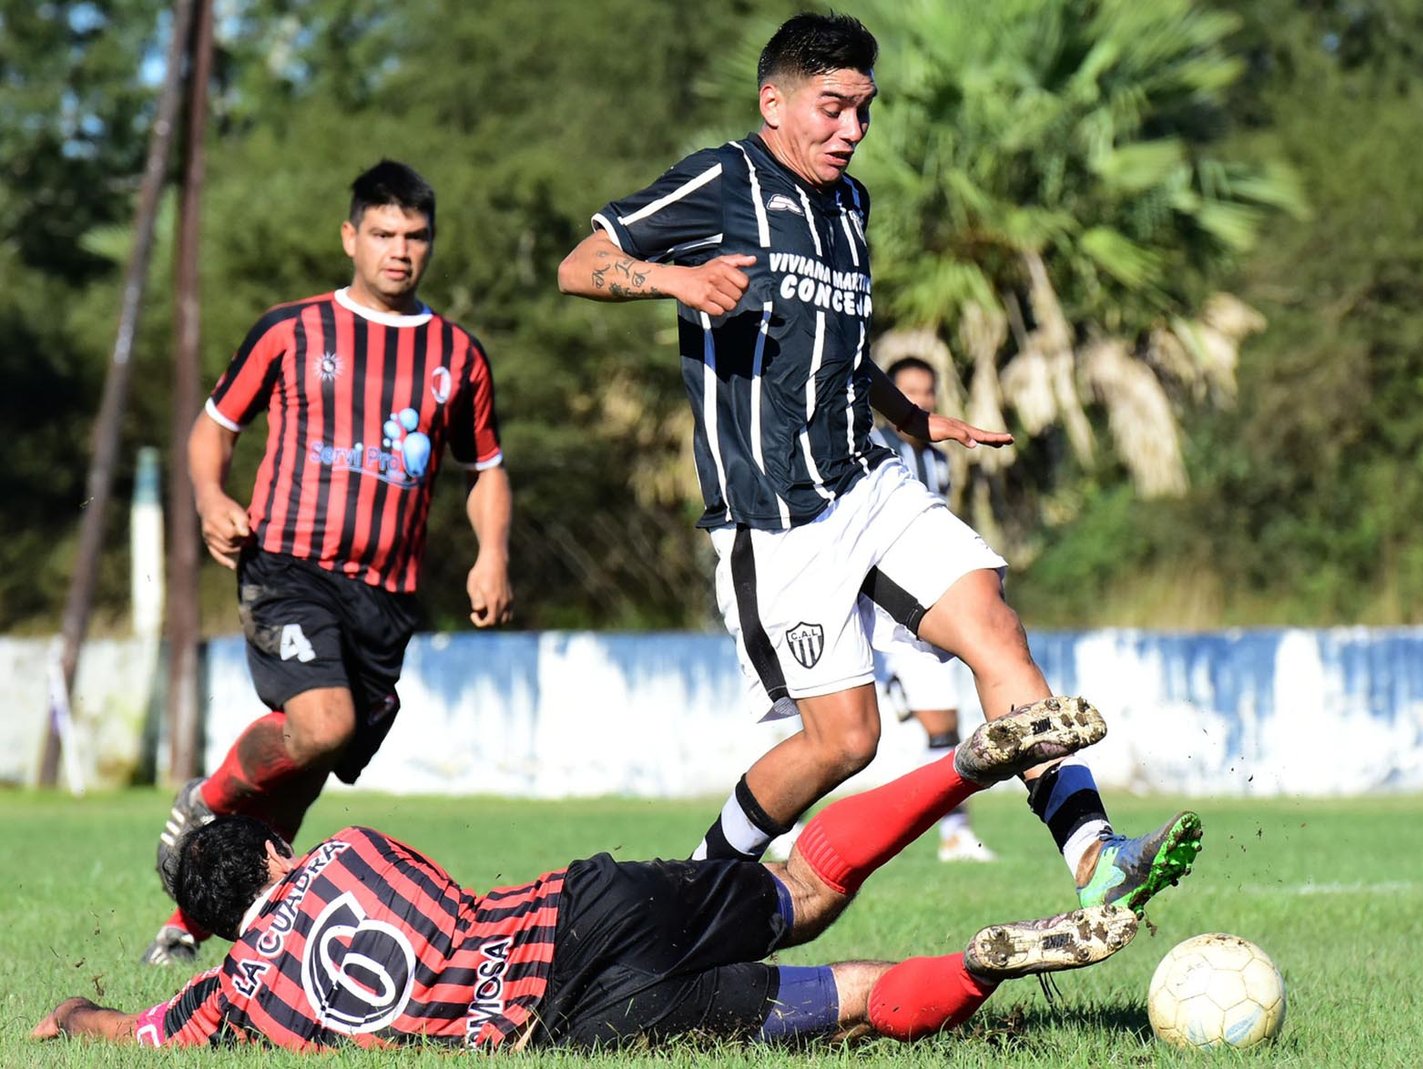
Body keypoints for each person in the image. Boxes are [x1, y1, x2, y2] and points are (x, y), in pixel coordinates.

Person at [557, 13, 1200, 912]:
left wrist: (911, 416)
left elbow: (840, 345)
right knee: (843, 740)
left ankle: (1096, 852)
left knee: (993, 625)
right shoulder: (722, 179)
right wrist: (675, 279)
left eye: (864, 110)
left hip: (865, 478)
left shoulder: (850, 205)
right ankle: (693, 893)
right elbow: (580, 264)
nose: (851, 131)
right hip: (775, 519)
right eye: (832, 108)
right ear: (773, 102)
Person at [34, 701, 1139, 1051]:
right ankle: (964, 763)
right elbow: (443, 903)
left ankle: (975, 964)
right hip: (582, 908)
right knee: (801, 886)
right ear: (276, 848)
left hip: (580, 1020)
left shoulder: (233, 1002)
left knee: (841, 1003)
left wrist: (72, 1013)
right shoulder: (350, 846)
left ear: (222, 922)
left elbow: (128, 1028)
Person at [142, 159, 514, 966]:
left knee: (305, 776)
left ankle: (196, 923)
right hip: (288, 565)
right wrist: (211, 498)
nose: (399, 250)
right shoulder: (291, 330)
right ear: (351, 237)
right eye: (382, 233)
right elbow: (214, 428)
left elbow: (485, 469)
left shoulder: (458, 354)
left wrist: (491, 552)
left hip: (386, 597)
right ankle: (202, 804)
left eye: (415, 236)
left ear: (431, 244)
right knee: (323, 723)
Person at [870, 356, 992, 862]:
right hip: (880, 606)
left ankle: (955, 833)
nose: (920, 400)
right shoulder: (878, 448)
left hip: (921, 605)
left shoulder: (939, 459)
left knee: (943, 725)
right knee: (840, 738)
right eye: (909, 391)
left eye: (928, 391)